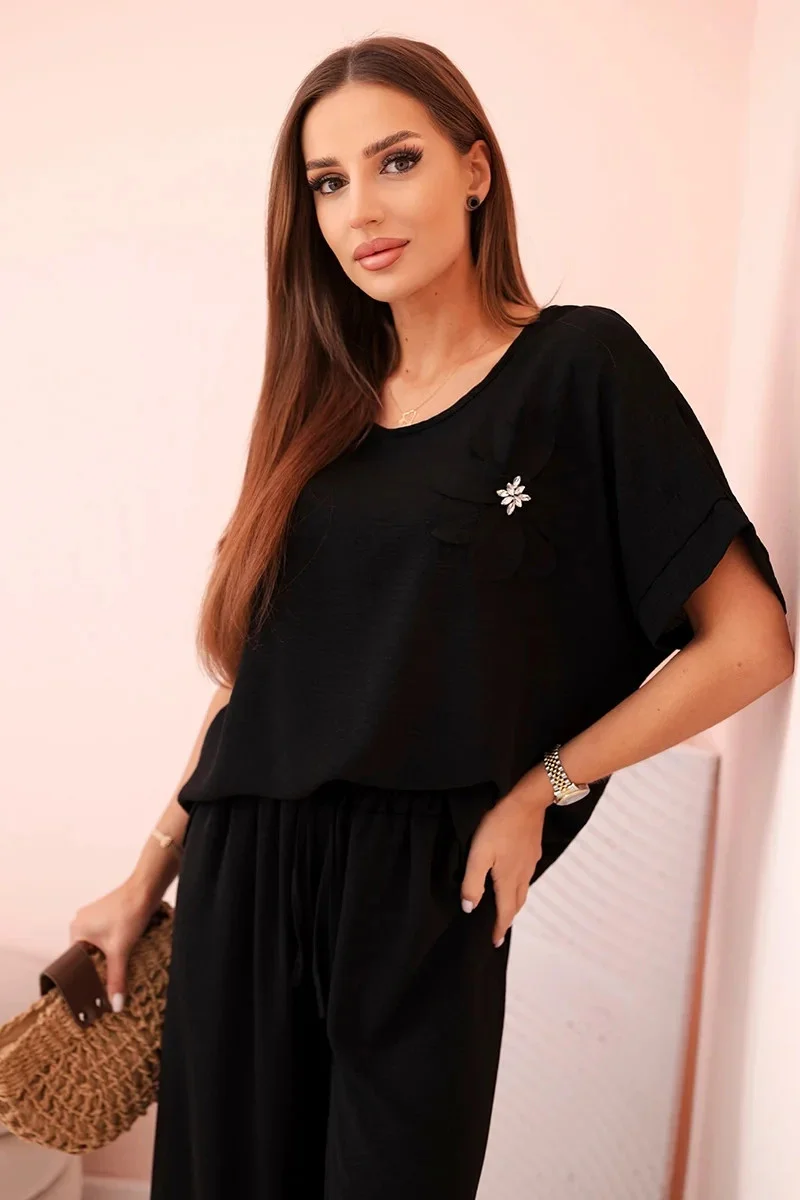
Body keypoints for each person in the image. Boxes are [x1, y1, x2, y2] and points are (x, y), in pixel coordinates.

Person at [68, 34, 794, 1200]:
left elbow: (749, 643)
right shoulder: (318, 413)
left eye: (395, 160)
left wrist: (542, 787)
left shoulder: (578, 368)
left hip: (422, 894)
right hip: (242, 885)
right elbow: (255, 690)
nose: (360, 207)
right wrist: (144, 877)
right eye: (327, 182)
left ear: (474, 169)